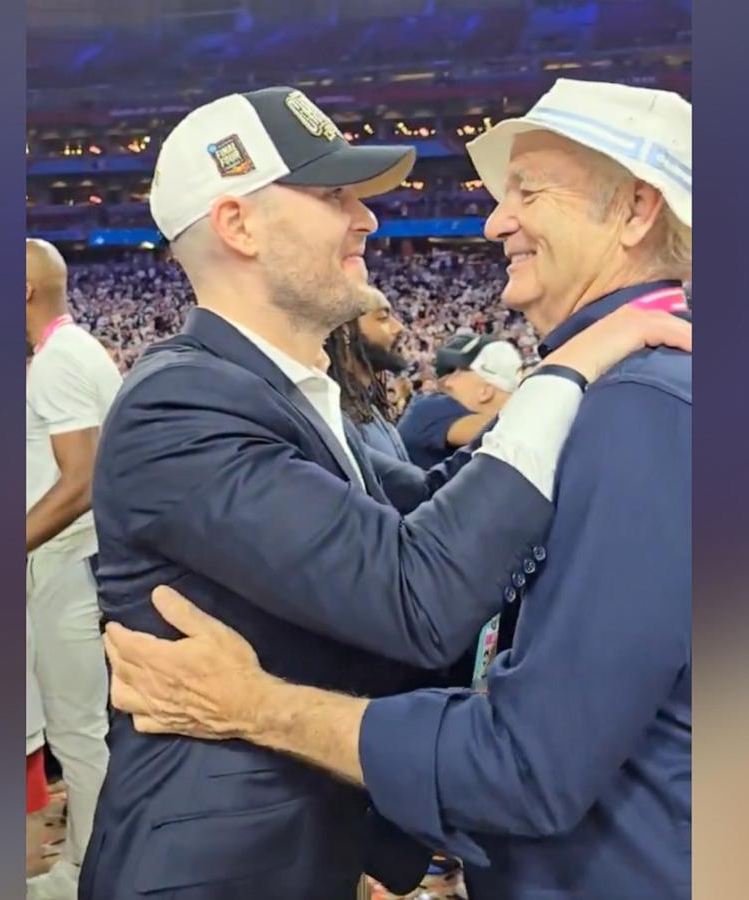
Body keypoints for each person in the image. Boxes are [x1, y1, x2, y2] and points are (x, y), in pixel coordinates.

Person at [80, 85, 691, 900]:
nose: (367, 218)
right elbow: (420, 591)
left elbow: (451, 518)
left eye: (528, 192)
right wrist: (565, 371)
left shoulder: (300, 395)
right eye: (335, 196)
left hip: (308, 850)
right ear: (239, 224)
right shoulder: (178, 403)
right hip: (215, 874)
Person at [25, 238, 122, 900]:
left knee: (79, 734)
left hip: (67, 563)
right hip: (87, 561)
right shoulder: (78, 348)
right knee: (88, 731)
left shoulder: (55, 362)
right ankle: (94, 861)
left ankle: (90, 873)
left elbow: (80, 479)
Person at [396, 334, 521, 469]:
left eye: (457, 372)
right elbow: (510, 429)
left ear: (485, 392)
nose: (447, 382)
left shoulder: (430, 408)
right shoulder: (428, 409)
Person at [325, 292, 413, 464]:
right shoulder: (339, 422)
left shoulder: (370, 405)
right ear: (345, 331)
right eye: (383, 318)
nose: (399, 327)